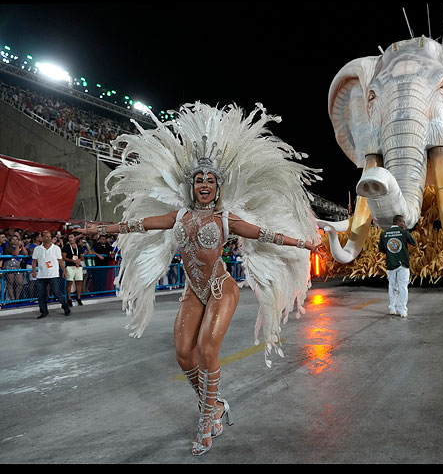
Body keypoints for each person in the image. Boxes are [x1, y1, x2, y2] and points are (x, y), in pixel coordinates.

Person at [77, 102, 321, 456]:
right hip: (194, 291)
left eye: (209, 180)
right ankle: (216, 404)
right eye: (198, 180)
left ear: (217, 187)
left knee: (207, 349)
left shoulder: (225, 219)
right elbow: (140, 224)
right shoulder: (178, 217)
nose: (204, 185)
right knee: (182, 354)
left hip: (222, 288)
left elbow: (266, 234)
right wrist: (104, 228)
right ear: (191, 186)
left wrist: (302, 243)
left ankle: (208, 420)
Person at [378, 214, 416, 317]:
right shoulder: (404, 232)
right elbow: (414, 243)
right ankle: (402, 310)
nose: (404, 223)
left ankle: (392, 308)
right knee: (403, 287)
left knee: (392, 286)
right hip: (403, 264)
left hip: (391, 264)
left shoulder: (384, 234)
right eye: (402, 222)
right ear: (397, 222)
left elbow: (381, 249)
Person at [31, 230, 71, 318]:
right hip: (41, 275)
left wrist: (63, 271)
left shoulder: (56, 248)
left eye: (49, 236)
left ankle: (65, 306)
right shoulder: (37, 249)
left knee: (56, 292)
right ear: (42, 237)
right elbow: (34, 261)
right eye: (46, 236)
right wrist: (34, 271)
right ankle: (44, 311)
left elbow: (60, 260)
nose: (48, 238)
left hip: (53, 274)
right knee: (41, 294)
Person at [2, 235, 28, 301]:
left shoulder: (19, 247)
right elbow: (15, 254)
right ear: (10, 241)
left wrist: (22, 246)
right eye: (13, 239)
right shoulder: (8, 247)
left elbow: (25, 254)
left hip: (18, 266)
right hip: (9, 266)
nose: (15, 241)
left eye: (16, 239)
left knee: (19, 283)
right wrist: (17, 246)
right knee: (10, 283)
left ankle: (17, 298)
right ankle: (12, 298)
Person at [62, 233, 85, 305]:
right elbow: (64, 258)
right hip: (69, 266)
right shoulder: (66, 247)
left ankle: (78, 298)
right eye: (69, 237)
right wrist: (73, 261)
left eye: (71, 237)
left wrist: (79, 260)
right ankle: (69, 298)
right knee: (69, 282)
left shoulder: (79, 247)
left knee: (79, 282)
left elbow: (82, 256)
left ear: (75, 238)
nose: (70, 238)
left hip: (78, 266)